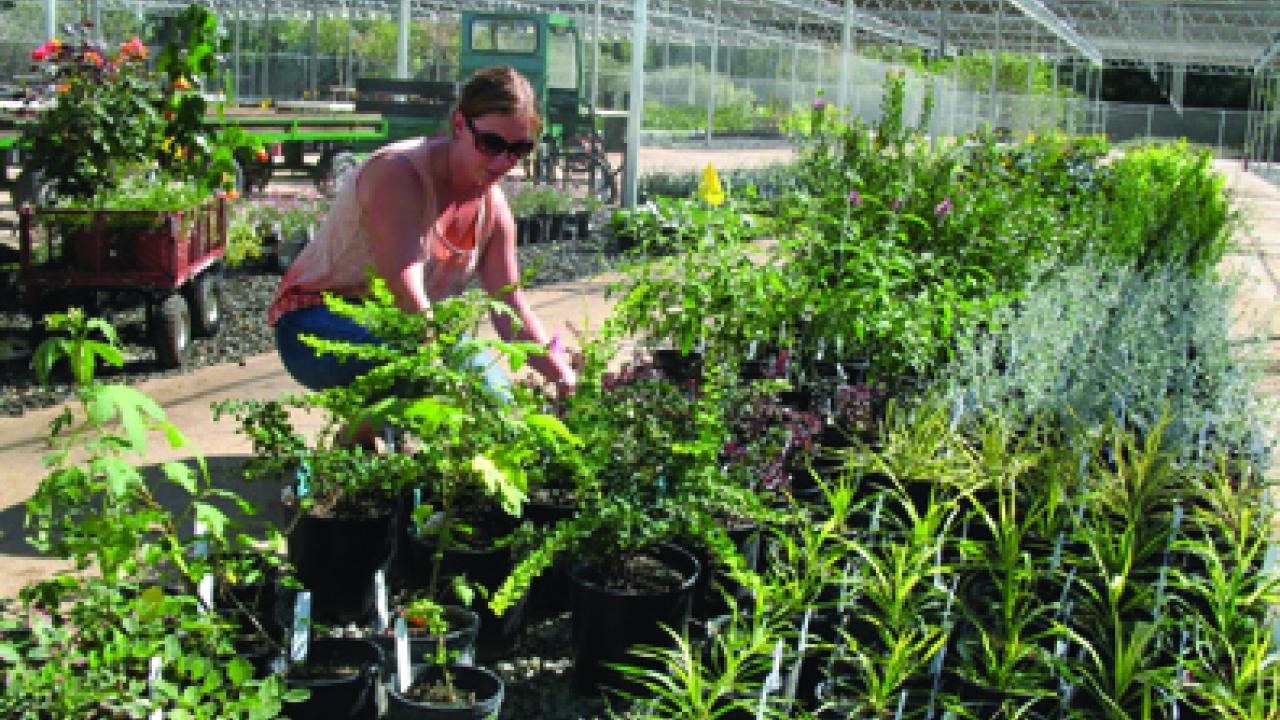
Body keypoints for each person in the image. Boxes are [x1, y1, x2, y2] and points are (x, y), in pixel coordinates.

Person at [267, 65, 577, 411]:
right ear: (459, 125)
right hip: (314, 324)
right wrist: (441, 370)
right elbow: (404, 289)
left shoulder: (493, 208)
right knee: (441, 376)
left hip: (407, 330)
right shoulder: (399, 173)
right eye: (491, 144)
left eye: (519, 149)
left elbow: (510, 307)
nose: (505, 161)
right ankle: (360, 432)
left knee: (499, 405)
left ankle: (368, 433)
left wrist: (563, 377)